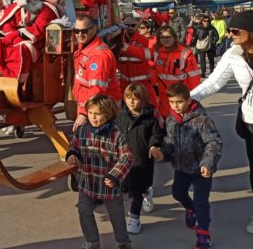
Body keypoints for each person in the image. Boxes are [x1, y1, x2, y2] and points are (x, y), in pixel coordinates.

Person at [190, 10, 253, 234]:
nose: (229, 34)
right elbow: (213, 83)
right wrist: (186, 100)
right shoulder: (233, 55)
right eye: (229, 30)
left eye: (235, 31)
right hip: (250, 122)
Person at [151, 83, 222, 249]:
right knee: (177, 193)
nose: (176, 106)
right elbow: (169, 141)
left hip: (201, 170)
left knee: (201, 202)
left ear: (189, 101)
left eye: (179, 102)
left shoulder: (202, 120)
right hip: (182, 167)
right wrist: (162, 152)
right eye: (172, 102)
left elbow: (213, 142)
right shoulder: (171, 120)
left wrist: (207, 163)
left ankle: (203, 233)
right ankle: (190, 209)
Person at [66, 94, 134, 249]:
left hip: (109, 186)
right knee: (84, 211)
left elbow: (127, 157)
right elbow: (74, 146)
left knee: (116, 216)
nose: (93, 117)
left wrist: (114, 175)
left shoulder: (116, 134)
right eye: (90, 113)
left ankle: (123, 242)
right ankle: (92, 242)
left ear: (108, 114)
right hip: (87, 183)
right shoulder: (82, 130)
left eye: (97, 114)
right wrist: (72, 155)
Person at [115, 83, 165, 234]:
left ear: (143, 100)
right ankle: (146, 192)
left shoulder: (150, 120)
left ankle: (134, 219)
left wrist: (153, 146)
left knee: (136, 192)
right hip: (123, 161)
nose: (131, 102)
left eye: (135, 99)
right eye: (128, 98)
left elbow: (156, 135)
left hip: (142, 160)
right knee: (128, 188)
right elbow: (114, 133)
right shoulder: (121, 117)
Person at [122, 26, 201, 118]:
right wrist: (127, 48)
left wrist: (193, 96)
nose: (165, 40)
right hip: (163, 93)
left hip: (179, 94)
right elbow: (142, 53)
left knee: (182, 118)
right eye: (162, 38)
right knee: (165, 117)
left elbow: (194, 77)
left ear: (174, 38)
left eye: (168, 37)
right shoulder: (158, 52)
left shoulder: (185, 54)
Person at [72, 15, 121, 132]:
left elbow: (97, 90)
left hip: (100, 113)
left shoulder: (98, 56)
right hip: (91, 110)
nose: (79, 35)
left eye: (84, 31)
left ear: (94, 29)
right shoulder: (85, 49)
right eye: (76, 31)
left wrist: (84, 114)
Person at [118, 17, 159, 110]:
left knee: (151, 106)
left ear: (137, 26)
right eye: (127, 25)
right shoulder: (119, 40)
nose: (130, 27)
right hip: (124, 83)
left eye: (132, 25)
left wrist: (128, 48)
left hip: (142, 82)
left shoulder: (143, 40)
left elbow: (147, 54)